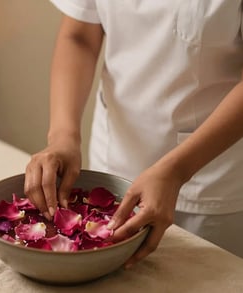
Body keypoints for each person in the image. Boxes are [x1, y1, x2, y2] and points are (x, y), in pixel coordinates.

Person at [24, 0, 243, 267]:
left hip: (208, 182)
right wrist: (62, 137)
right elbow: (79, 35)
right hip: (113, 158)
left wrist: (177, 170)